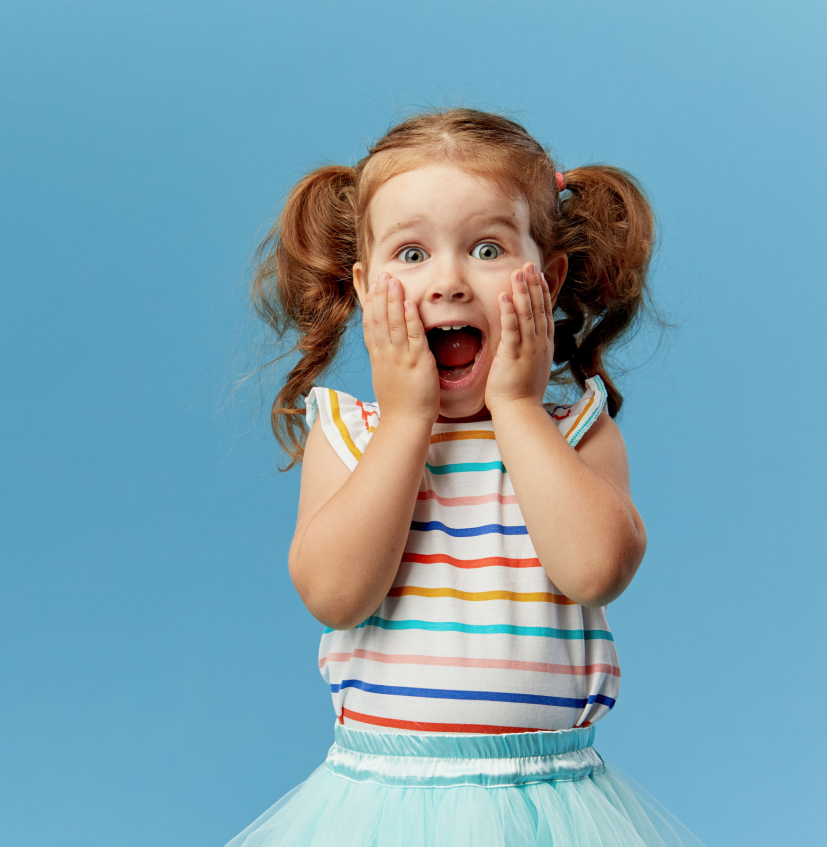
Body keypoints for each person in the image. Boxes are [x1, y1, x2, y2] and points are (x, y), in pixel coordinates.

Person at [226, 108, 705, 846]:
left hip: (551, 806)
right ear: (364, 285)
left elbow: (596, 571)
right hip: (379, 804)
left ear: (545, 280)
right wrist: (407, 418)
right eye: (411, 254)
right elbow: (333, 593)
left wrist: (515, 404)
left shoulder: (576, 430)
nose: (447, 280)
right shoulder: (351, 433)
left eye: (486, 247)